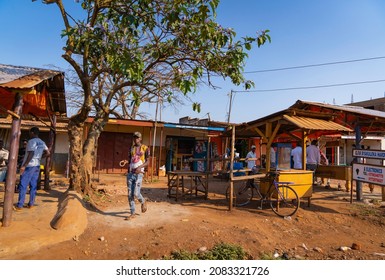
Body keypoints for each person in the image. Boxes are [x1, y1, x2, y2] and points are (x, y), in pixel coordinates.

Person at [15, 127, 50, 210]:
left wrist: (24, 166)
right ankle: (31, 204)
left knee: (23, 184)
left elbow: (31, 154)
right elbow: (48, 153)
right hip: (37, 165)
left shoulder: (31, 142)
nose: (29, 134)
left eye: (30, 132)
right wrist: (40, 158)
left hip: (29, 166)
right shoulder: (42, 142)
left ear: (33, 132)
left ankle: (20, 205)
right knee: (33, 185)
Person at [125, 131, 149, 220]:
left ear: (140, 138)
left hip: (139, 174)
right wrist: (126, 162)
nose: (136, 139)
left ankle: (143, 201)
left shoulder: (145, 148)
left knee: (136, 193)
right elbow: (130, 160)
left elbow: (148, 161)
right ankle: (132, 213)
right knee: (130, 194)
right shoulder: (131, 148)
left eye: (137, 137)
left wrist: (140, 167)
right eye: (134, 137)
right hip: (130, 173)